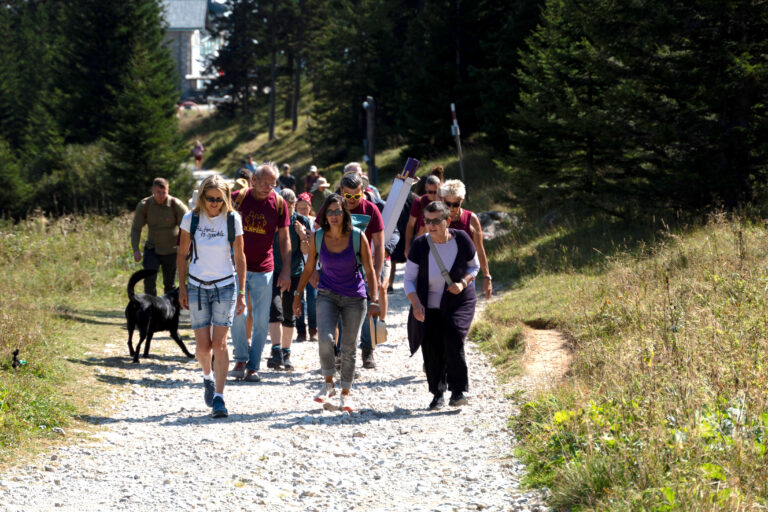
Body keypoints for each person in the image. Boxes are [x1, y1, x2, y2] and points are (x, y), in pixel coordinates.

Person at [292, 194, 379, 412]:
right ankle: (328, 382)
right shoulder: (319, 236)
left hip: (355, 297)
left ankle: (346, 394)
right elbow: (310, 266)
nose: (333, 216)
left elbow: (369, 270)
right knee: (325, 338)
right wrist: (297, 293)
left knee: (349, 347)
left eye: (338, 211)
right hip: (327, 294)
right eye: (329, 212)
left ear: (345, 213)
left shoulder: (358, 236)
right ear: (323, 215)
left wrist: (375, 299)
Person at [177, 175, 247, 418]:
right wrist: (182, 288)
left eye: (220, 199)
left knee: (220, 343)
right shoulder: (191, 219)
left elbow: (240, 257)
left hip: (225, 285)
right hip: (197, 285)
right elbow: (182, 254)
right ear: (202, 198)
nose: (215, 204)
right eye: (211, 199)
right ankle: (207, 376)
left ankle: (219, 397)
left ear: (226, 198)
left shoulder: (232, 219)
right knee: (203, 346)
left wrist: (241, 293)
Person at [404, 201, 479, 409]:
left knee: (454, 336)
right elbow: (408, 279)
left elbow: (475, 267)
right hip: (428, 304)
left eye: (436, 220)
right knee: (432, 347)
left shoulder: (462, 239)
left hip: (459, 300)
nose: (431, 225)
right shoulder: (420, 245)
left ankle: (458, 391)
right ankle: (437, 394)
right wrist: (417, 304)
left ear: (447, 221)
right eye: (427, 221)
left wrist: (462, 283)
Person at [228, 163, 291, 382]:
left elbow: (284, 238)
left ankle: (253, 366)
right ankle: (240, 358)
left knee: (262, 320)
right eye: (265, 184)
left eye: (273, 184)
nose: (269, 188)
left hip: (265, 268)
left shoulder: (279, 203)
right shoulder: (237, 198)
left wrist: (286, 271)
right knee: (238, 314)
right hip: (236, 266)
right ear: (254, 180)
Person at [339, 172, 384, 369]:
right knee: (340, 309)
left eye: (356, 196)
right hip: (338, 268)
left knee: (368, 309)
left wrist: (377, 272)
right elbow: (318, 236)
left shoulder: (371, 209)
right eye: (347, 196)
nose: (351, 201)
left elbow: (380, 244)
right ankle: (342, 350)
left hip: (365, 268)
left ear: (362, 193)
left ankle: (368, 350)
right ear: (341, 193)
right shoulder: (333, 207)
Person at [266, 189, 311, 370]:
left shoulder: (302, 220)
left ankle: (286, 352)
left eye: (291, 206)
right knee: (275, 309)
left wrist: (302, 236)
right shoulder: (272, 220)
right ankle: (276, 351)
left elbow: (307, 251)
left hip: (295, 271)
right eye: (285, 206)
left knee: (290, 312)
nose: (289, 210)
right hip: (274, 270)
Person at [131, 178, 189, 296]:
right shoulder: (145, 205)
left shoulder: (176, 205)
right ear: (153, 190)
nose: (161, 195)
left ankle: (168, 312)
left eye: (164, 192)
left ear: (168, 190)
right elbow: (136, 228)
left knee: (169, 284)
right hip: (152, 249)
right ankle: (151, 309)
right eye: (158, 192)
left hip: (171, 251)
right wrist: (136, 249)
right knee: (149, 281)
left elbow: (188, 227)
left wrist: (188, 248)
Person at [440, 180, 493, 299]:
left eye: (456, 204)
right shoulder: (436, 218)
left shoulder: (471, 219)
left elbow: (479, 249)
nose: (451, 208)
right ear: (442, 199)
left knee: (464, 312)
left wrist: (487, 276)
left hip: (466, 275)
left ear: (462, 200)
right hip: (440, 274)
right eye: (448, 204)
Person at [295, 193, 317, 341]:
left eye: (305, 207)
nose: (303, 211)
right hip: (297, 264)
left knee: (313, 298)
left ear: (310, 208)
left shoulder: (315, 223)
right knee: (298, 298)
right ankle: (300, 330)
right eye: (300, 208)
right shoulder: (293, 223)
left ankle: (313, 329)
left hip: (313, 264)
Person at [404, 174, 441, 265]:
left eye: (435, 192)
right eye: (430, 192)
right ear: (426, 188)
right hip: (423, 242)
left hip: (440, 242)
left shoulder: (445, 201)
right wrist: (407, 247)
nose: (432, 195)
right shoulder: (419, 202)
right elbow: (410, 225)